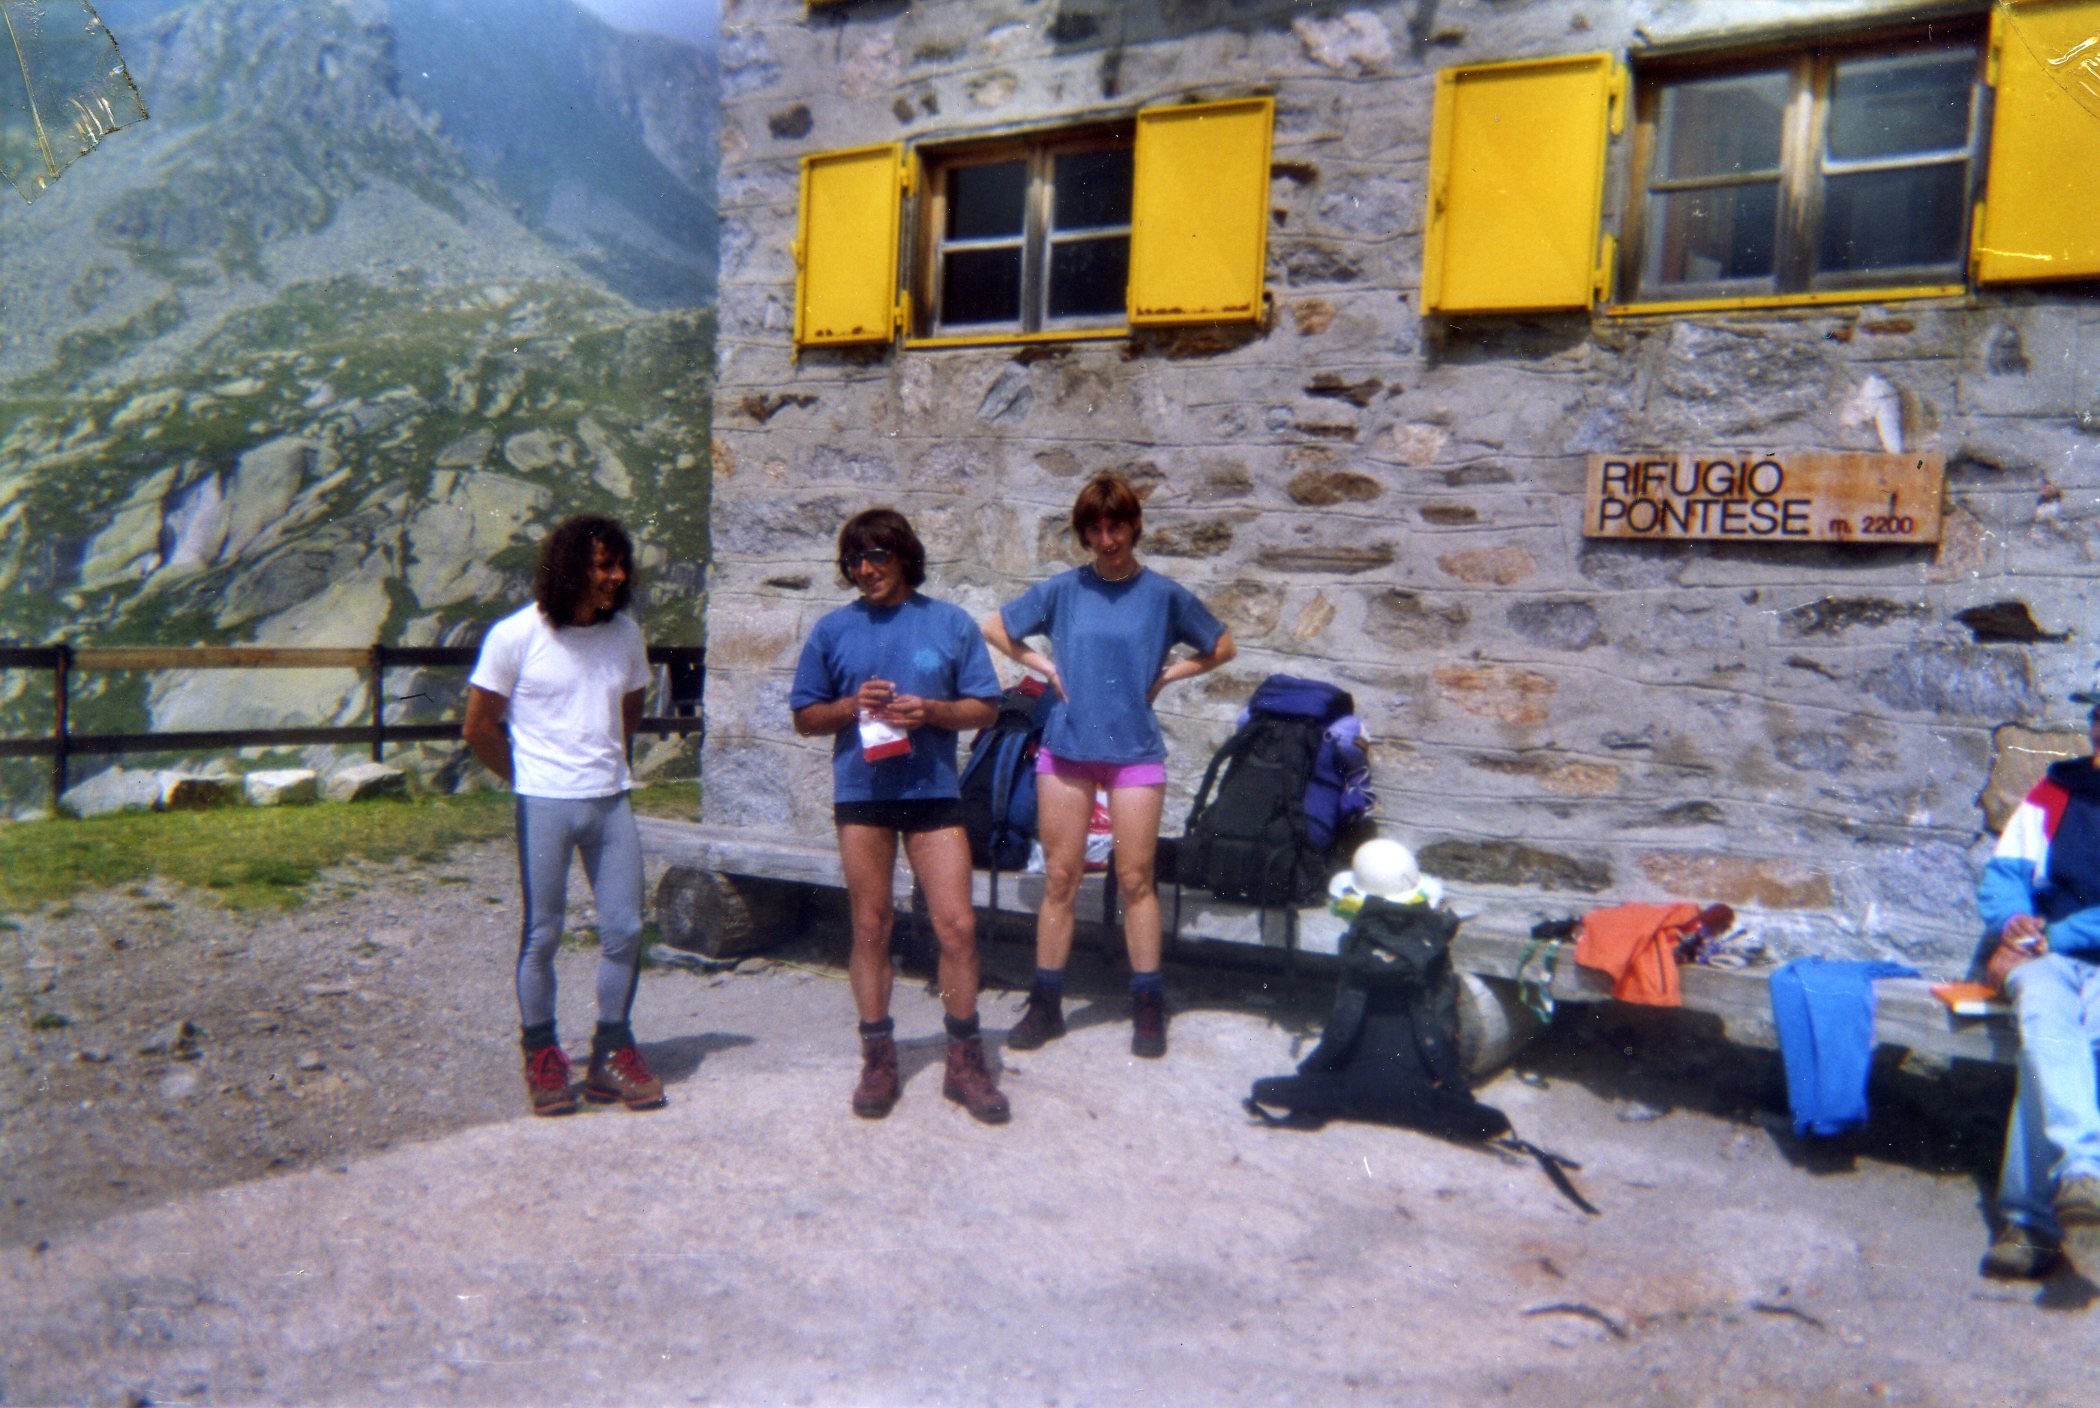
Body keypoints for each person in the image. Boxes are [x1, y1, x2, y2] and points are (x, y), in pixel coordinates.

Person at [983, 474, 1236, 1059]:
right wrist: (1047, 668)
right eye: (1094, 529)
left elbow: (1222, 646)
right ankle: (1046, 1002)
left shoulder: (1164, 595)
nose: (1106, 539)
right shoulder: (1064, 590)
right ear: (1084, 534)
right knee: (1061, 878)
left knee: (1136, 879)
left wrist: (1168, 676)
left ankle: (1147, 1000)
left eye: (1115, 526)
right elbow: (995, 627)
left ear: (1134, 526)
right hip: (1067, 748)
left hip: (1135, 752)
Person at [790, 508, 1011, 1123]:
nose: (866, 570)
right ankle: (878, 1058)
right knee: (871, 925)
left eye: (878, 556)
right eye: (855, 560)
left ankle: (964, 1059)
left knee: (957, 926)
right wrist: (849, 706)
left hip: (933, 793)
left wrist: (932, 712)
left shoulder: (949, 622)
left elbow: (987, 708)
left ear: (904, 556)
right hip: (863, 794)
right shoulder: (833, 629)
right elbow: (804, 717)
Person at [463, 514, 663, 1117]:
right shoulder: (515, 635)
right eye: (603, 565)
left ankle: (611, 1052)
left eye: (620, 565)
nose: (617, 576)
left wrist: (604, 762)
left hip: (609, 801)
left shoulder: (625, 634)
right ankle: (542, 1053)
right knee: (543, 933)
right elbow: (479, 727)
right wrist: (530, 779)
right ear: (571, 567)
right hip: (545, 804)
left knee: (626, 929)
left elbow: (629, 710)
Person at [1977, 691, 2100, 1279]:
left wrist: (2058, 933)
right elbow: (2006, 873)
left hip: (2071, 947)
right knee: (2047, 1027)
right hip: (2046, 955)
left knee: (2072, 1046)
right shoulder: (2056, 792)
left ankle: (2030, 1223)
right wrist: (2013, 921)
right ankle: (2081, 1174)